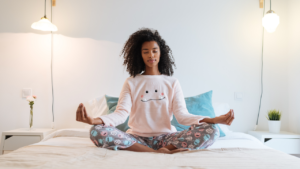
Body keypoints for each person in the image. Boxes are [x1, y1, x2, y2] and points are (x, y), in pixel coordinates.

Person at [76, 28, 234, 154]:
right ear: (140, 55)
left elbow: (183, 117)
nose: (151, 55)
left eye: (154, 50)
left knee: (212, 130)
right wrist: (94, 120)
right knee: (96, 131)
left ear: (161, 53)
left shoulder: (172, 82)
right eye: (146, 51)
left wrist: (213, 120)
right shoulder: (131, 82)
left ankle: (167, 150)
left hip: (167, 139)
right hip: (136, 139)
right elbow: (121, 114)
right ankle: (152, 152)